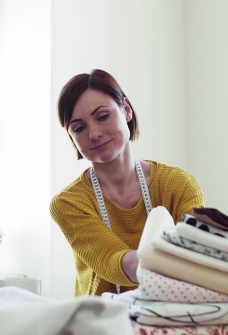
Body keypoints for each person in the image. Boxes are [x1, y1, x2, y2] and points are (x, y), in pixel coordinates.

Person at [49, 69, 205, 296]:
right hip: (99, 324)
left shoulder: (179, 185)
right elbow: (111, 260)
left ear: (126, 110)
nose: (93, 134)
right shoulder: (69, 203)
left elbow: (198, 253)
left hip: (171, 320)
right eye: (79, 128)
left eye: (102, 117)